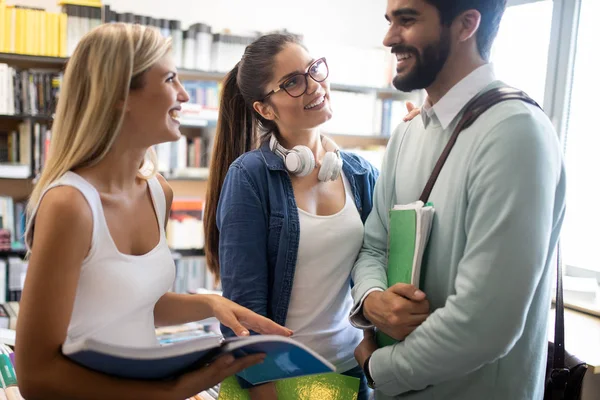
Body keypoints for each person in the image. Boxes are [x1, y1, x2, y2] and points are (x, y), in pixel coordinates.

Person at [16, 23, 293, 400]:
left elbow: (135, 303)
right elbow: (35, 377)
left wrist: (212, 304)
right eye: (170, 79)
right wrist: (170, 391)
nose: (182, 94)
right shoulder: (70, 206)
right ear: (119, 95)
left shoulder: (157, 192)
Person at [350, 1, 566, 399]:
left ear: (466, 24)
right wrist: (372, 299)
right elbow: (374, 244)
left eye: (408, 19)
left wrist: (378, 367)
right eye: (390, 20)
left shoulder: (515, 133)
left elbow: (485, 324)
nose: (389, 37)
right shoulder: (407, 134)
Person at [203, 33, 379, 400]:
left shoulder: (360, 174)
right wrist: (265, 389)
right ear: (265, 109)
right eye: (293, 82)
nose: (315, 86)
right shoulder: (250, 176)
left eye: (313, 70)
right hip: (272, 379)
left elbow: (378, 264)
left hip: (350, 370)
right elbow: (242, 311)